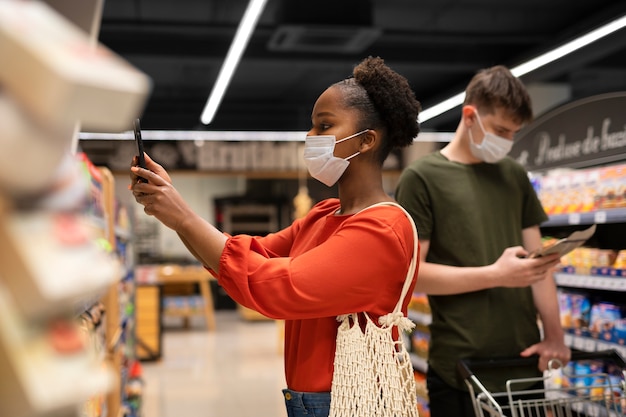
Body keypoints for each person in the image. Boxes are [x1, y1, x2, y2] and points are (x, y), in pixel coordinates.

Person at [130, 56, 422, 417]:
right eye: (311, 126)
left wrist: (185, 218)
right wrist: (174, 214)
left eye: (324, 126)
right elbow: (252, 254)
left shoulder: (381, 230)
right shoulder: (324, 214)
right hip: (308, 399)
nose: (310, 137)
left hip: (351, 399)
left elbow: (275, 286)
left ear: (366, 141)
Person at [395, 65, 571, 417]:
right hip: (460, 368)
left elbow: (540, 267)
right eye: (500, 130)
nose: (507, 141)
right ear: (470, 115)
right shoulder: (422, 177)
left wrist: (554, 336)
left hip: (523, 364)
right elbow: (411, 275)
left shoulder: (514, 174)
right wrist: (495, 274)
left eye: (513, 133)